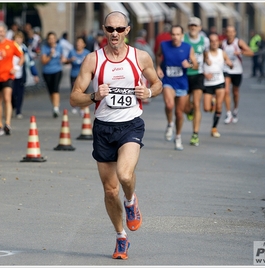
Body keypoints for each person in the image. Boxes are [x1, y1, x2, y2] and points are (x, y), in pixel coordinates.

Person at [70, 11, 162, 260]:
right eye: (110, 29)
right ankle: (121, 237)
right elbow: (74, 97)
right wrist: (93, 96)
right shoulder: (93, 60)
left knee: (124, 174)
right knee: (110, 191)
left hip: (130, 124)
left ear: (127, 31)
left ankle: (131, 201)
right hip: (103, 128)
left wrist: (149, 93)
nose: (114, 34)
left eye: (119, 29)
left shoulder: (140, 57)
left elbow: (157, 83)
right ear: (103, 29)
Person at [156, 25, 198, 150]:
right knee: (169, 105)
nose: (175, 37)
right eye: (173, 34)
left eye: (178, 34)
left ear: (182, 35)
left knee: (179, 113)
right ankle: (170, 124)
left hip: (182, 83)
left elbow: (196, 65)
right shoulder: (164, 45)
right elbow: (158, 55)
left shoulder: (187, 48)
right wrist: (158, 67)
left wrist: (189, 64)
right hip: (168, 81)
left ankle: (178, 136)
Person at [183, 17, 209, 146]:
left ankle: (195, 134)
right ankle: (190, 110)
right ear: (188, 27)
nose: (193, 27)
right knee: (185, 106)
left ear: (200, 27)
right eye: (191, 25)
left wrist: (208, 66)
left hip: (198, 75)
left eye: (195, 25)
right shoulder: (183, 39)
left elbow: (207, 55)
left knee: (197, 104)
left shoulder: (205, 41)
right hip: (184, 75)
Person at [203, 33, 234, 138]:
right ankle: (212, 102)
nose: (214, 43)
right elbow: (198, 66)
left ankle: (214, 128)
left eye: (216, 40)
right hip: (208, 83)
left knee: (219, 106)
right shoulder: (206, 53)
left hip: (220, 82)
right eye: (212, 41)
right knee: (206, 108)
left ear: (218, 42)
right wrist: (205, 74)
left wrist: (230, 64)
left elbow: (230, 63)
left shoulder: (222, 53)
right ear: (209, 43)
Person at [221, 25, 254, 124]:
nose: (230, 34)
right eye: (228, 31)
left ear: (235, 33)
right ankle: (228, 113)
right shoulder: (222, 44)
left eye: (232, 32)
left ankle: (235, 109)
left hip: (237, 70)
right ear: (225, 33)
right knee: (226, 91)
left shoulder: (238, 42)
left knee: (235, 92)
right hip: (226, 69)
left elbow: (251, 52)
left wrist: (241, 52)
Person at [12, 31, 39, 119]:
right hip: (11, 75)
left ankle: (18, 110)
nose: (18, 40)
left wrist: (34, 74)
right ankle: (13, 106)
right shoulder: (10, 48)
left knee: (20, 93)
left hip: (21, 74)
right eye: (16, 38)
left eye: (20, 38)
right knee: (12, 93)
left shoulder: (24, 49)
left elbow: (30, 62)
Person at [40, 31, 66, 118]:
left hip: (57, 70)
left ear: (55, 39)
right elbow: (43, 61)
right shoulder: (44, 48)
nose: (51, 40)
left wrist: (63, 59)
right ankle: (55, 106)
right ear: (47, 40)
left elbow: (62, 57)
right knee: (51, 91)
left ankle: (56, 108)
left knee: (55, 89)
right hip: (47, 71)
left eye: (53, 38)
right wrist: (50, 55)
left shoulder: (59, 47)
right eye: (50, 39)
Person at [66, 36, 90, 115]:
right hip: (74, 74)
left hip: (85, 76)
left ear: (84, 44)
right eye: (77, 42)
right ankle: (74, 105)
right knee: (75, 91)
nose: (78, 44)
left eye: (80, 42)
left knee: (84, 92)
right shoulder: (72, 52)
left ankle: (82, 108)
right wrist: (69, 60)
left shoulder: (87, 53)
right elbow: (65, 61)